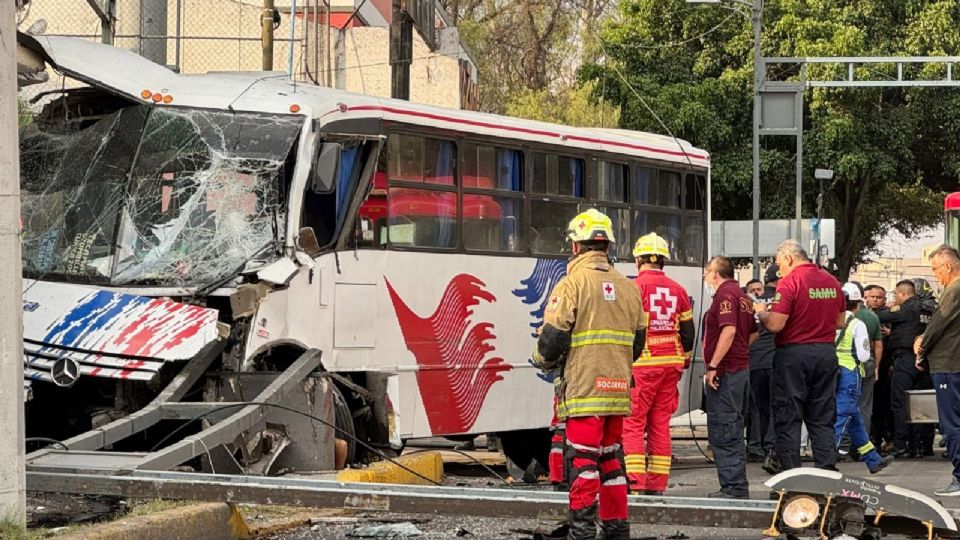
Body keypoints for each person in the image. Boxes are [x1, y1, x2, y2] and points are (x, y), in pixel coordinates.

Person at [533, 208, 644, 540]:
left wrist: (540, 359)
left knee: (582, 461)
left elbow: (551, 341)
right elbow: (637, 343)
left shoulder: (572, 284)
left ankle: (581, 531)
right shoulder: (629, 288)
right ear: (607, 246)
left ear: (575, 246)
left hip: (585, 391)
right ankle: (617, 529)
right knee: (611, 461)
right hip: (617, 390)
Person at [754, 239, 845, 471]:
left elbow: (776, 324)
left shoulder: (790, 282)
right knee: (822, 416)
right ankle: (827, 471)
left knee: (788, 416)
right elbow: (839, 322)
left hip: (793, 354)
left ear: (789, 258)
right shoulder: (831, 281)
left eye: (779, 264)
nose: (779, 270)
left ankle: (792, 475)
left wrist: (762, 313)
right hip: (825, 352)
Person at [623, 232, 694, 495]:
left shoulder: (633, 288)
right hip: (671, 363)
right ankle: (657, 485)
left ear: (638, 260)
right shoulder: (678, 289)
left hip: (643, 363)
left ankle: (635, 483)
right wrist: (684, 359)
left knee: (632, 423)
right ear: (663, 260)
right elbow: (688, 333)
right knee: (660, 424)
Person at [702, 256, 758, 498]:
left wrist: (714, 364)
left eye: (707, 272)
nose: (705, 277)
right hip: (739, 370)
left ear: (715, 273)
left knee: (724, 428)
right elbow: (753, 332)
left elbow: (730, 330)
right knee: (734, 427)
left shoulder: (725, 295)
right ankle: (736, 485)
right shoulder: (742, 296)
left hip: (726, 372)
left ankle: (733, 487)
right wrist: (740, 350)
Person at [835, 282, 894, 474]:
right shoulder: (857, 323)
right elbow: (862, 355)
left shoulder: (831, 319)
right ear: (857, 302)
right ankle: (828, 455)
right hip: (851, 373)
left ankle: (872, 459)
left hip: (832, 371)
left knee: (855, 418)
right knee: (845, 413)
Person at [915, 245, 960, 496]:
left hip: (948, 364)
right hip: (953, 363)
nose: (935, 275)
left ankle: (959, 477)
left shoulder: (954, 289)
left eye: (935, 269)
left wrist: (921, 346)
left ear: (948, 266)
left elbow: (937, 324)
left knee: (951, 423)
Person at [879, 280, 932, 458]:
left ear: (902, 293)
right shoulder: (927, 310)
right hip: (924, 361)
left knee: (899, 402)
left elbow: (881, 316)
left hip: (906, 359)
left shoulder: (905, 308)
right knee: (920, 404)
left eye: (896, 295)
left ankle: (901, 445)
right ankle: (920, 445)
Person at [749, 265, 780, 474]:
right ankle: (772, 449)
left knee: (760, 408)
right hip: (776, 359)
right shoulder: (782, 300)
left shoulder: (754, 302)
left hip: (755, 360)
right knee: (777, 406)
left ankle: (759, 447)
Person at [852, 283, 883, 452]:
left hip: (846, 364)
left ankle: (843, 445)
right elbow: (878, 345)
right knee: (865, 405)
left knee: (845, 404)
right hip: (868, 362)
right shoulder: (872, 317)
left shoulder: (842, 315)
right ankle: (862, 446)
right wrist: (876, 367)